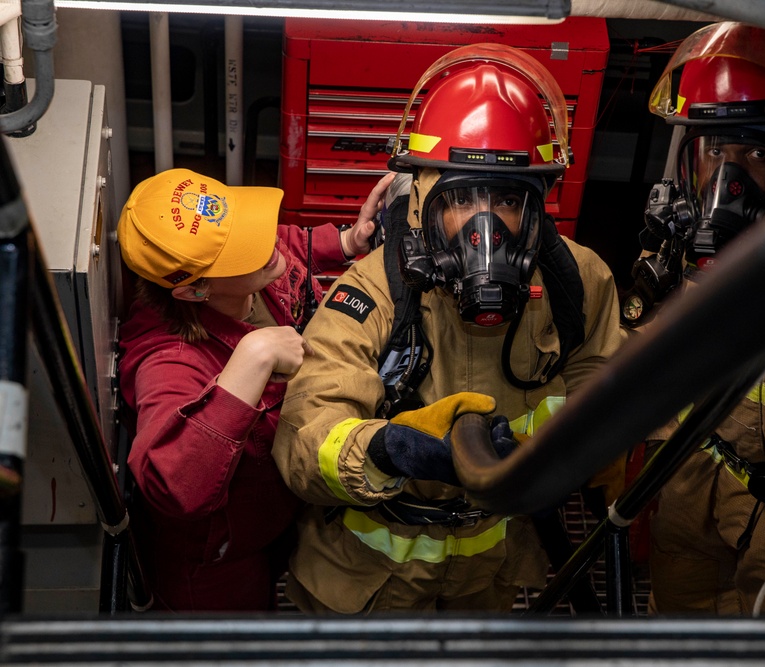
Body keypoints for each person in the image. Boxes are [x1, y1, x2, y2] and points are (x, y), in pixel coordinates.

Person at [271, 43, 625, 613]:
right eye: (462, 201)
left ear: (536, 208)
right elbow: (304, 438)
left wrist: (554, 448)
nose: (486, 230)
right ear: (423, 204)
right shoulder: (374, 292)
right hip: (371, 573)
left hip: (490, 564)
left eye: (507, 200)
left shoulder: (577, 281)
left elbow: (601, 383)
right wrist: (385, 450)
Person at [622, 22, 765, 615]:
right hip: (684, 482)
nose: (727, 183)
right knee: (675, 626)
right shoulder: (668, 260)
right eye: (713, 153)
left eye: (755, 154)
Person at [116, 167, 394, 611]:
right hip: (220, 563)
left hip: (279, 510)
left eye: (246, 225)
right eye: (244, 250)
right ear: (193, 292)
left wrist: (345, 241)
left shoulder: (252, 269)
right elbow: (173, 487)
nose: (265, 245)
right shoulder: (167, 360)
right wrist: (253, 358)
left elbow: (284, 241)